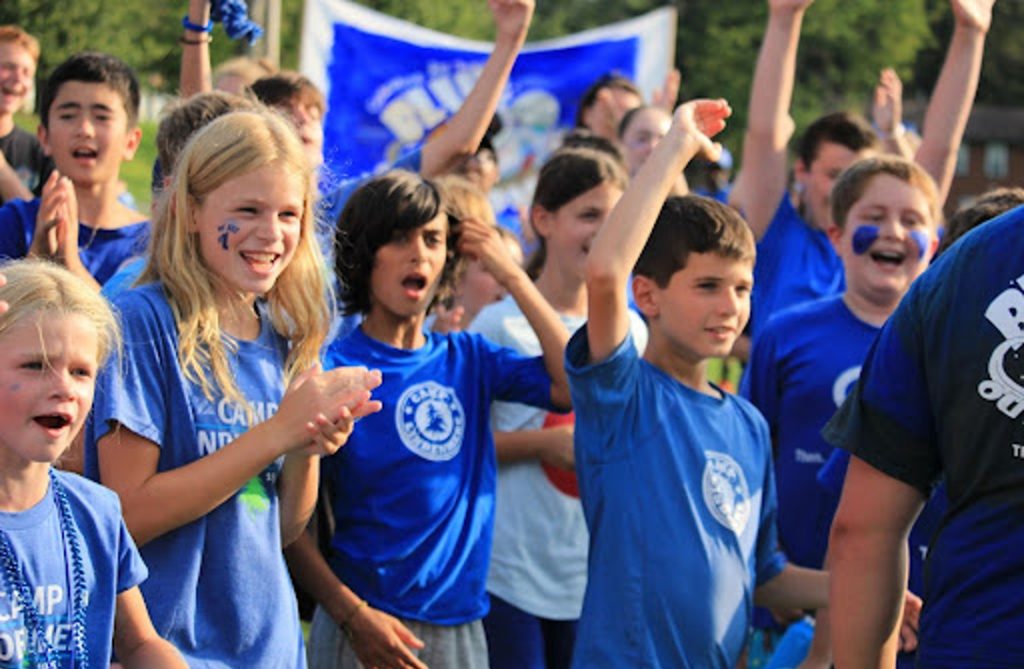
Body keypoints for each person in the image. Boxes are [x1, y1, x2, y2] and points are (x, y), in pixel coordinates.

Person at [84, 110, 383, 667]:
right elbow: (129, 515)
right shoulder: (143, 321)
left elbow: (284, 525)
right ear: (192, 211)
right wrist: (277, 433)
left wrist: (305, 447)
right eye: (247, 210)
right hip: (169, 649)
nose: (272, 233)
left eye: (289, 214)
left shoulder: (286, 332)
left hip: (270, 649)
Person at [566, 97, 828, 668]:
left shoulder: (749, 425)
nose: (731, 306)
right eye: (708, 286)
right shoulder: (623, 396)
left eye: (741, 288)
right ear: (648, 296)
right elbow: (606, 271)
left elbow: (766, 576)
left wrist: (863, 590)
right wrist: (674, 147)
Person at [289, 168, 572, 669]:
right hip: (367, 625)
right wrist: (351, 615)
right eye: (398, 239)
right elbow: (291, 527)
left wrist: (510, 274)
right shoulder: (330, 367)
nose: (419, 253)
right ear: (364, 253)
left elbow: (570, 383)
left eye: (433, 239)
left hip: (462, 624)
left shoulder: (470, 358)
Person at [741, 156, 942, 667]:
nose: (893, 231)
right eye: (874, 215)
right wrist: (772, 574)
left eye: (913, 221)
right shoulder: (785, 334)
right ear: (836, 234)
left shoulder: (947, 351)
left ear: (934, 245)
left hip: (909, 616)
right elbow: (750, 457)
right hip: (789, 605)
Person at [470, 147, 643, 669]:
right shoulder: (497, 325)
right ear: (542, 219)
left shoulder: (632, 331)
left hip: (591, 576)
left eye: (616, 219)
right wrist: (542, 444)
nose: (603, 232)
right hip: (508, 573)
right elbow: (459, 446)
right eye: (589, 215)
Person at [730, 0, 995, 336]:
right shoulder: (779, 233)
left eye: (862, 177)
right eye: (836, 176)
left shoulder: (888, 247)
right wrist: (784, 18)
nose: (849, 190)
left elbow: (939, 152)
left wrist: (970, 33)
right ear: (802, 172)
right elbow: (764, 135)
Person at [0, 258, 187, 668]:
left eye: (81, 372)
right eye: (35, 365)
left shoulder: (94, 511)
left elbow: (139, 644)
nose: (63, 387)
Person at [0, 51, 149, 289]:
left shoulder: (153, 244)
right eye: (68, 115)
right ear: (44, 137)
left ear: (131, 141)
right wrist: (38, 256)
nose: (85, 129)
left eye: (101, 117)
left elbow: (134, 325)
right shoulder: (14, 222)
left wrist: (69, 262)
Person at [0, 25, 52, 205]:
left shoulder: (40, 151)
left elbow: (42, 226)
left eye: (26, 73)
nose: (18, 79)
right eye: (8, 67)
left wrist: (2, 171)